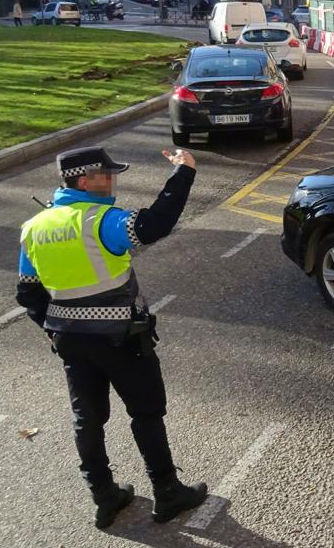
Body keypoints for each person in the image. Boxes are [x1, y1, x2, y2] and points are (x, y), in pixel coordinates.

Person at [17, 146, 207, 529]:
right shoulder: (101, 220)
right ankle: (167, 493)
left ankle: (105, 499)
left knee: (87, 421)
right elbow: (154, 224)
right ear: (84, 181)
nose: (113, 180)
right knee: (146, 415)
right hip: (121, 337)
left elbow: (28, 293)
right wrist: (183, 173)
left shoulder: (34, 227)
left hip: (71, 341)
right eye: (108, 174)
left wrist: (52, 330)